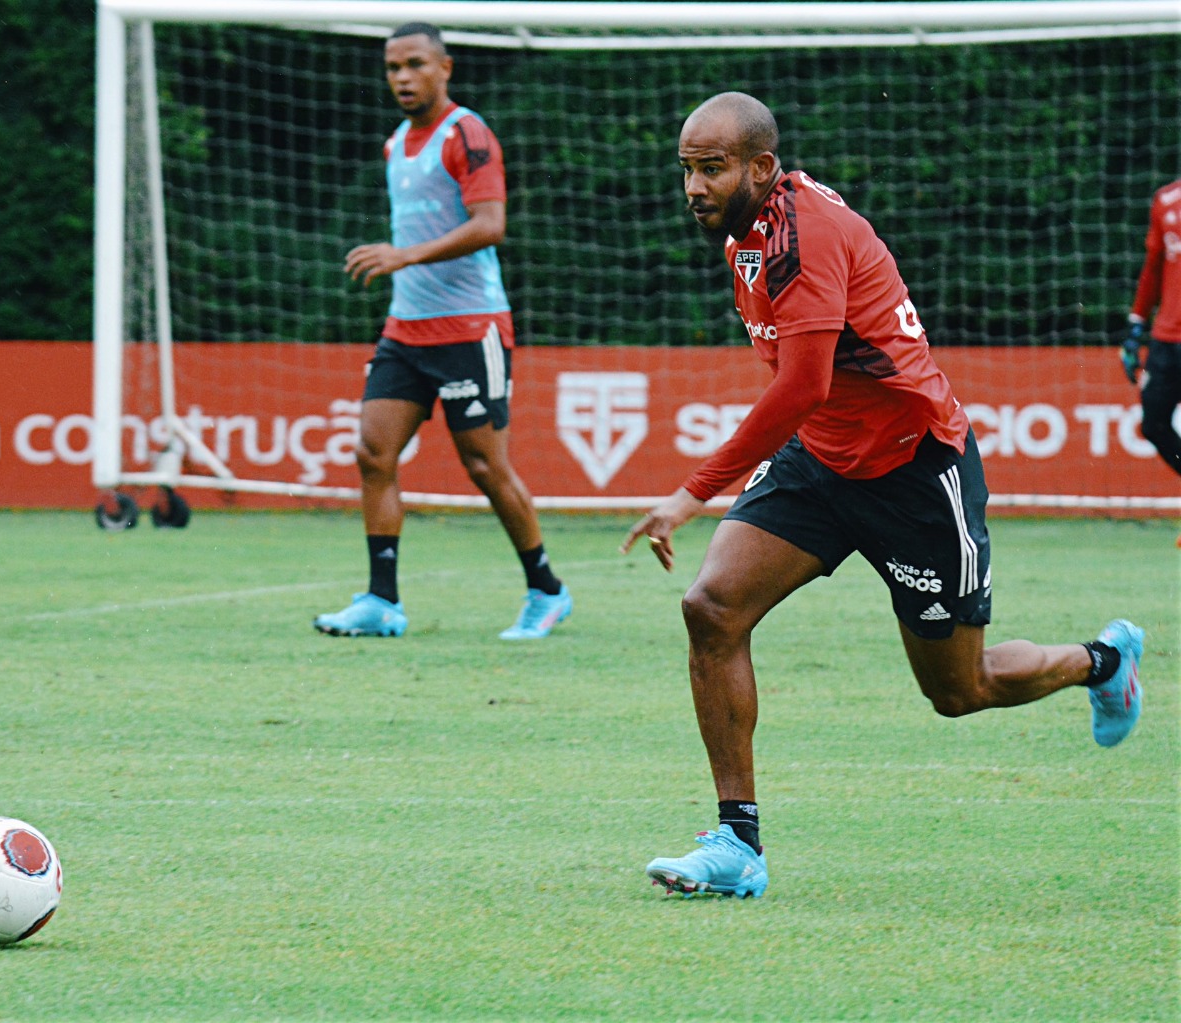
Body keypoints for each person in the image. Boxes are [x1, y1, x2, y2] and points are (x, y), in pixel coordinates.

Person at [621, 92, 1145, 899]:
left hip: (914, 470)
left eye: (712, 168)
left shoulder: (803, 237)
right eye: (687, 169)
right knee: (711, 609)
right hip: (823, 464)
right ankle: (738, 842)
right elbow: (811, 401)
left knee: (958, 691)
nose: (694, 185)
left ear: (761, 168)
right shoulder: (750, 230)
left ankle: (1102, 662)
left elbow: (800, 387)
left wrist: (692, 494)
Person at [313, 22, 571, 641]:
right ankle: (382, 601)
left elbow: (490, 224)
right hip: (406, 329)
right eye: (393, 67)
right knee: (373, 452)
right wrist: (406, 267)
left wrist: (405, 255)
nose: (403, 77)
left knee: (485, 468)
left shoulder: (467, 133)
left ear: (444, 68)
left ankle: (546, 590)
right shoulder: (396, 143)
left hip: (469, 328)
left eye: (415, 64)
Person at [1119, 178, 1181, 481]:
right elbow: (1153, 268)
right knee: (1153, 423)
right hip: (1166, 339)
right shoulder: (1167, 199)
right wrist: (1135, 327)